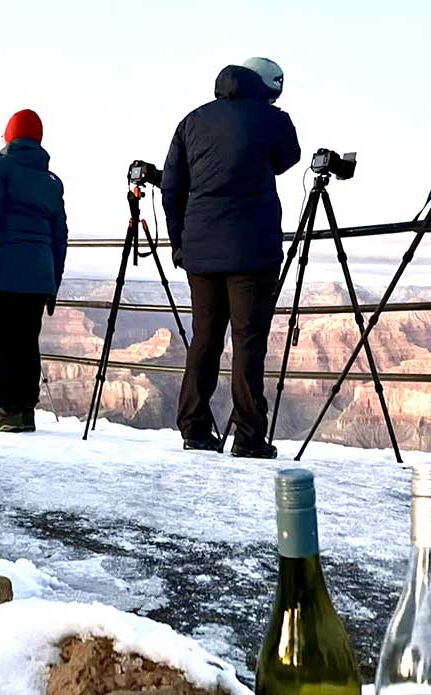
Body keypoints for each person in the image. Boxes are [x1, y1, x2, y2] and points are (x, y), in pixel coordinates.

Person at [162, 58, 300, 459]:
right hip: (252, 251)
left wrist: (179, 241)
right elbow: (287, 159)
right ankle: (249, 437)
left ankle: (194, 428)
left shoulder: (192, 121)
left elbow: (171, 187)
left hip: (201, 251)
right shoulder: (272, 118)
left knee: (204, 338)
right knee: (247, 341)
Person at [0, 110, 68, 434]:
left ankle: (9, 409)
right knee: (26, 340)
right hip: (39, 273)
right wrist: (54, 282)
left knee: (0, 340)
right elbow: (59, 236)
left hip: (2, 270)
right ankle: (26, 410)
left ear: (9, 137)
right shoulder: (52, 181)